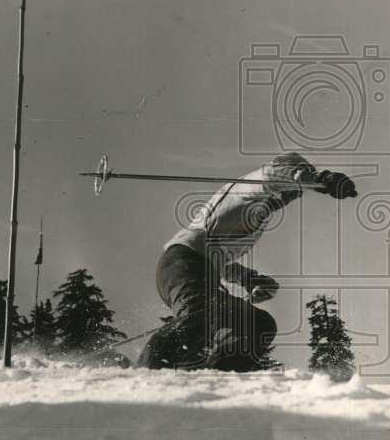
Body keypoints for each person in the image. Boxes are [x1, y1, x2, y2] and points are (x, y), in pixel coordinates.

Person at [139, 153, 357, 371]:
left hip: (202, 271)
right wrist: (320, 179)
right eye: (293, 191)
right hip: (181, 264)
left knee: (258, 325)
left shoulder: (256, 216)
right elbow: (270, 175)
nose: (291, 198)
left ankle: (222, 372)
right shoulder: (245, 191)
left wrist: (249, 278)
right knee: (201, 314)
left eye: (297, 194)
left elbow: (218, 257)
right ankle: (149, 367)